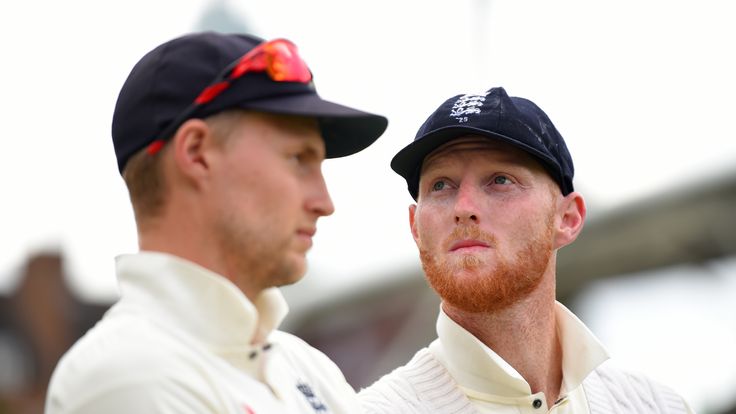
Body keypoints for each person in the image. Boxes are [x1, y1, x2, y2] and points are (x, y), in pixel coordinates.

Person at [45, 31, 387, 414]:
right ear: (197, 153)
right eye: (298, 159)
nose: (325, 203)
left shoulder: (306, 366)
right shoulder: (126, 375)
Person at [359, 87, 694, 413]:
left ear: (567, 218)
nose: (463, 207)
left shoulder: (659, 405)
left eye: (500, 180)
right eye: (441, 185)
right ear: (415, 226)